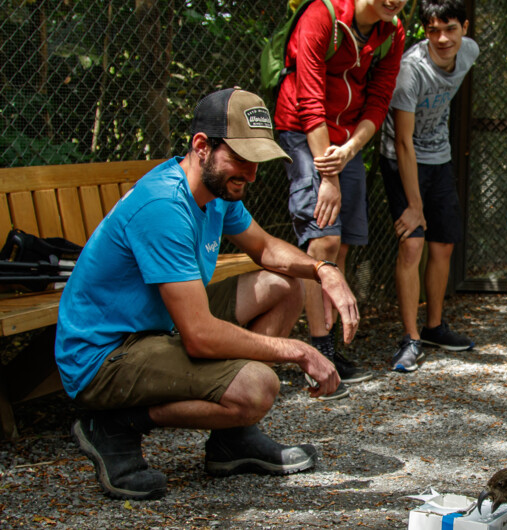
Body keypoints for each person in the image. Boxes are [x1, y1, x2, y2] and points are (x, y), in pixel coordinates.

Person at [55, 88, 361, 500]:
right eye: (241, 159)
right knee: (258, 387)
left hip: (156, 324)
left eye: (256, 162)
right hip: (104, 355)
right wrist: (299, 350)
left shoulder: (216, 190)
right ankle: (112, 424)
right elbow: (199, 336)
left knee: (285, 286)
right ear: (202, 146)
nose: (251, 174)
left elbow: (266, 249)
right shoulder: (164, 205)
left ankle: (231, 440)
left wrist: (325, 269)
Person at [274, 0, 408, 396]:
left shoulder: (392, 31)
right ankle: (320, 353)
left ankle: (330, 346)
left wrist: (349, 150)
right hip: (302, 130)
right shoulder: (323, 14)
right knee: (324, 239)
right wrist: (327, 176)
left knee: (343, 245)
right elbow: (308, 100)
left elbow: (379, 100)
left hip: (347, 138)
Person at [378, 0, 479, 372]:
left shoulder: (469, 52)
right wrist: (415, 205)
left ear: (463, 28)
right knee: (413, 244)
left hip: (440, 157)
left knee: (443, 245)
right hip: (402, 158)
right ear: (424, 30)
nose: (442, 38)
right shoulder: (410, 71)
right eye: (433, 30)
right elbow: (403, 142)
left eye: (450, 28)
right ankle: (410, 339)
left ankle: (434, 326)